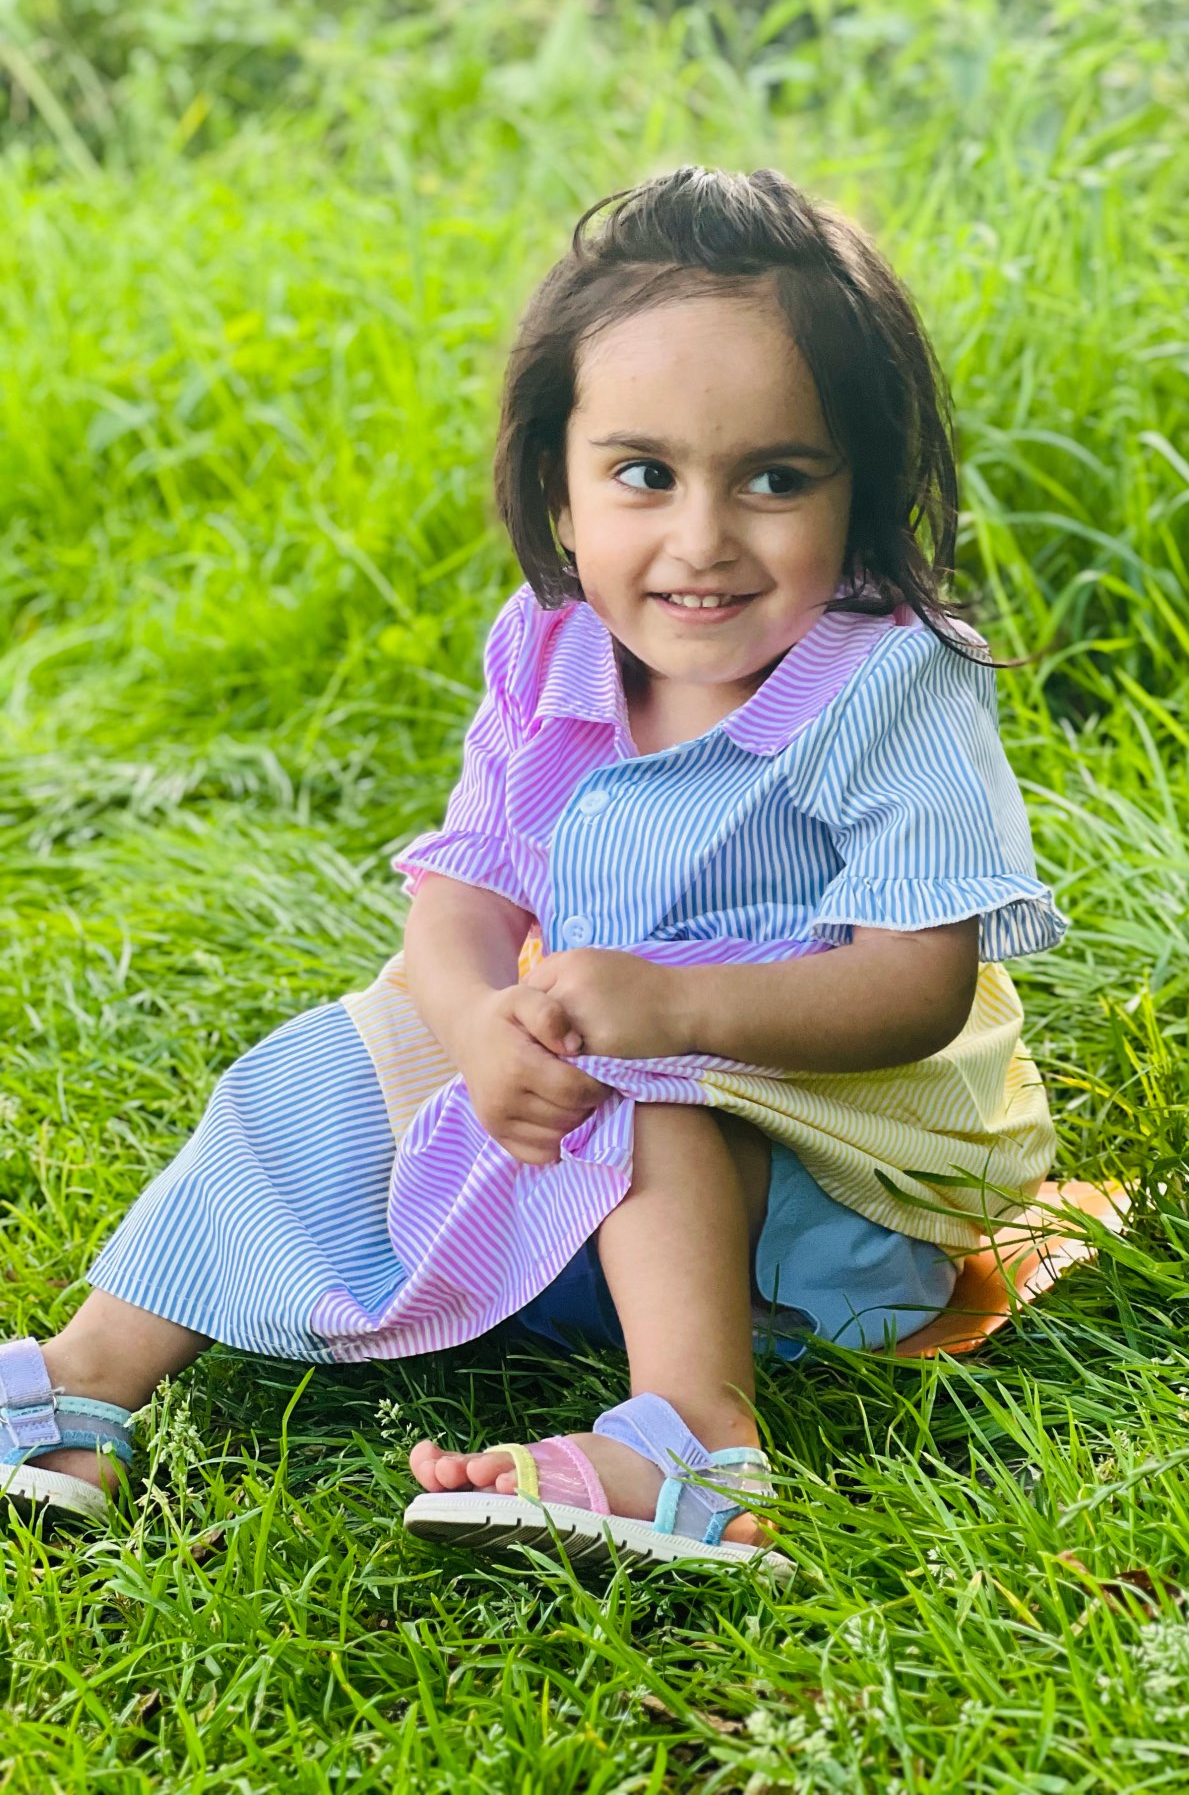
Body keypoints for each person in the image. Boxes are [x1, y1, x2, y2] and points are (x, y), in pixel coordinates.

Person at [0, 166, 1070, 1572]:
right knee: (326, 1066)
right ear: (559, 490)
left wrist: (674, 1009)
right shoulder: (552, 643)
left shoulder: (888, 679)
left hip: (822, 1210)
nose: (703, 539)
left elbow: (918, 986)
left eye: (775, 478)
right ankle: (82, 1392)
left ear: (858, 486)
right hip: (562, 1155)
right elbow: (460, 902)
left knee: (646, 1081)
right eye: (645, 475)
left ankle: (691, 1444)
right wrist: (474, 1031)